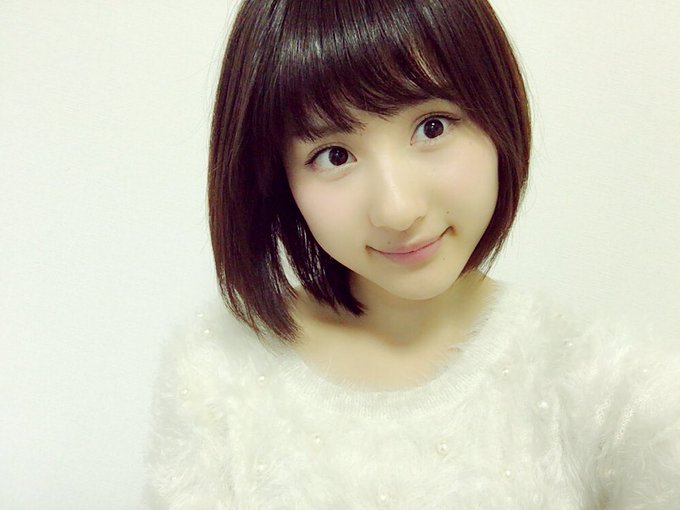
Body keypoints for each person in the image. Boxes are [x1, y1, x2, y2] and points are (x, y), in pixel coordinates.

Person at [142, 0, 680, 508]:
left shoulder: (611, 392)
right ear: (276, 180)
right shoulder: (215, 379)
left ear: (497, 110)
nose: (397, 209)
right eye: (335, 155)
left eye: (431, 127)